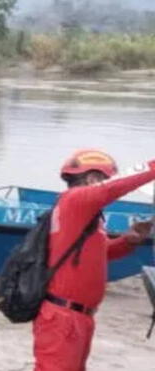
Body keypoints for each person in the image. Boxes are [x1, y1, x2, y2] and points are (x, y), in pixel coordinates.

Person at [33, 149, 155, 371]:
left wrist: (128, 240)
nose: (107, 185)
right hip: (63, 318)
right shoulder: (75, 200)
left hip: (76, 317)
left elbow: (100, 254)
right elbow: (119, 186)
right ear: (92, 178)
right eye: (105, 179)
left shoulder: (83, 214)